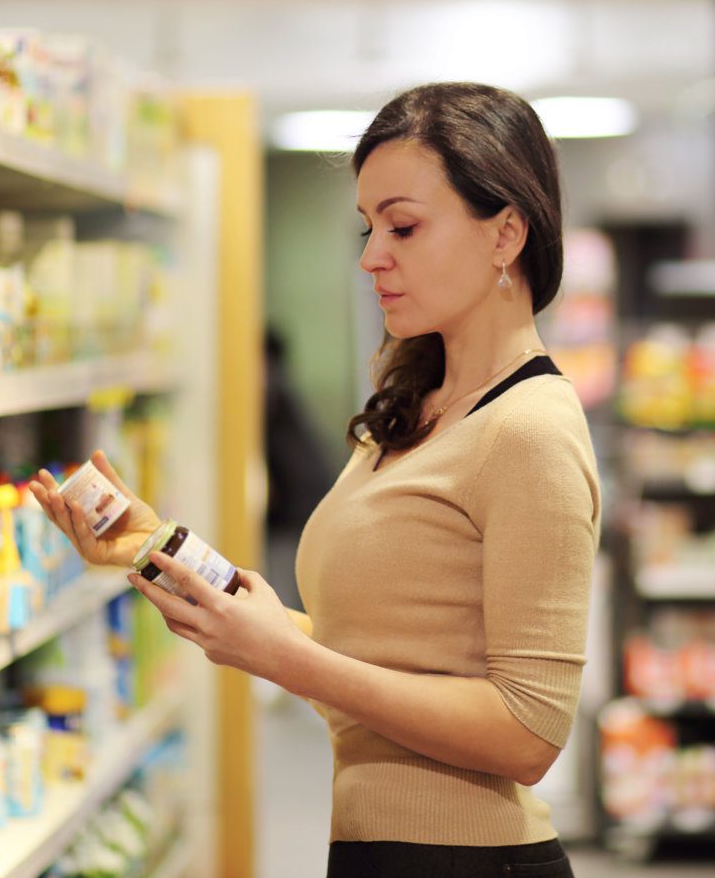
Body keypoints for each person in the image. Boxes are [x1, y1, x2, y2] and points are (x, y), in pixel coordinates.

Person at [30, 81, 600, 878]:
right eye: (368, 228)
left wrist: (284, 660)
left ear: (505, 231)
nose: (371, 255)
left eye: (403, 226)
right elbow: (367, 651)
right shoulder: (421, 407)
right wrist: (150, 547)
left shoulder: (529, 430)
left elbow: (529, 733)